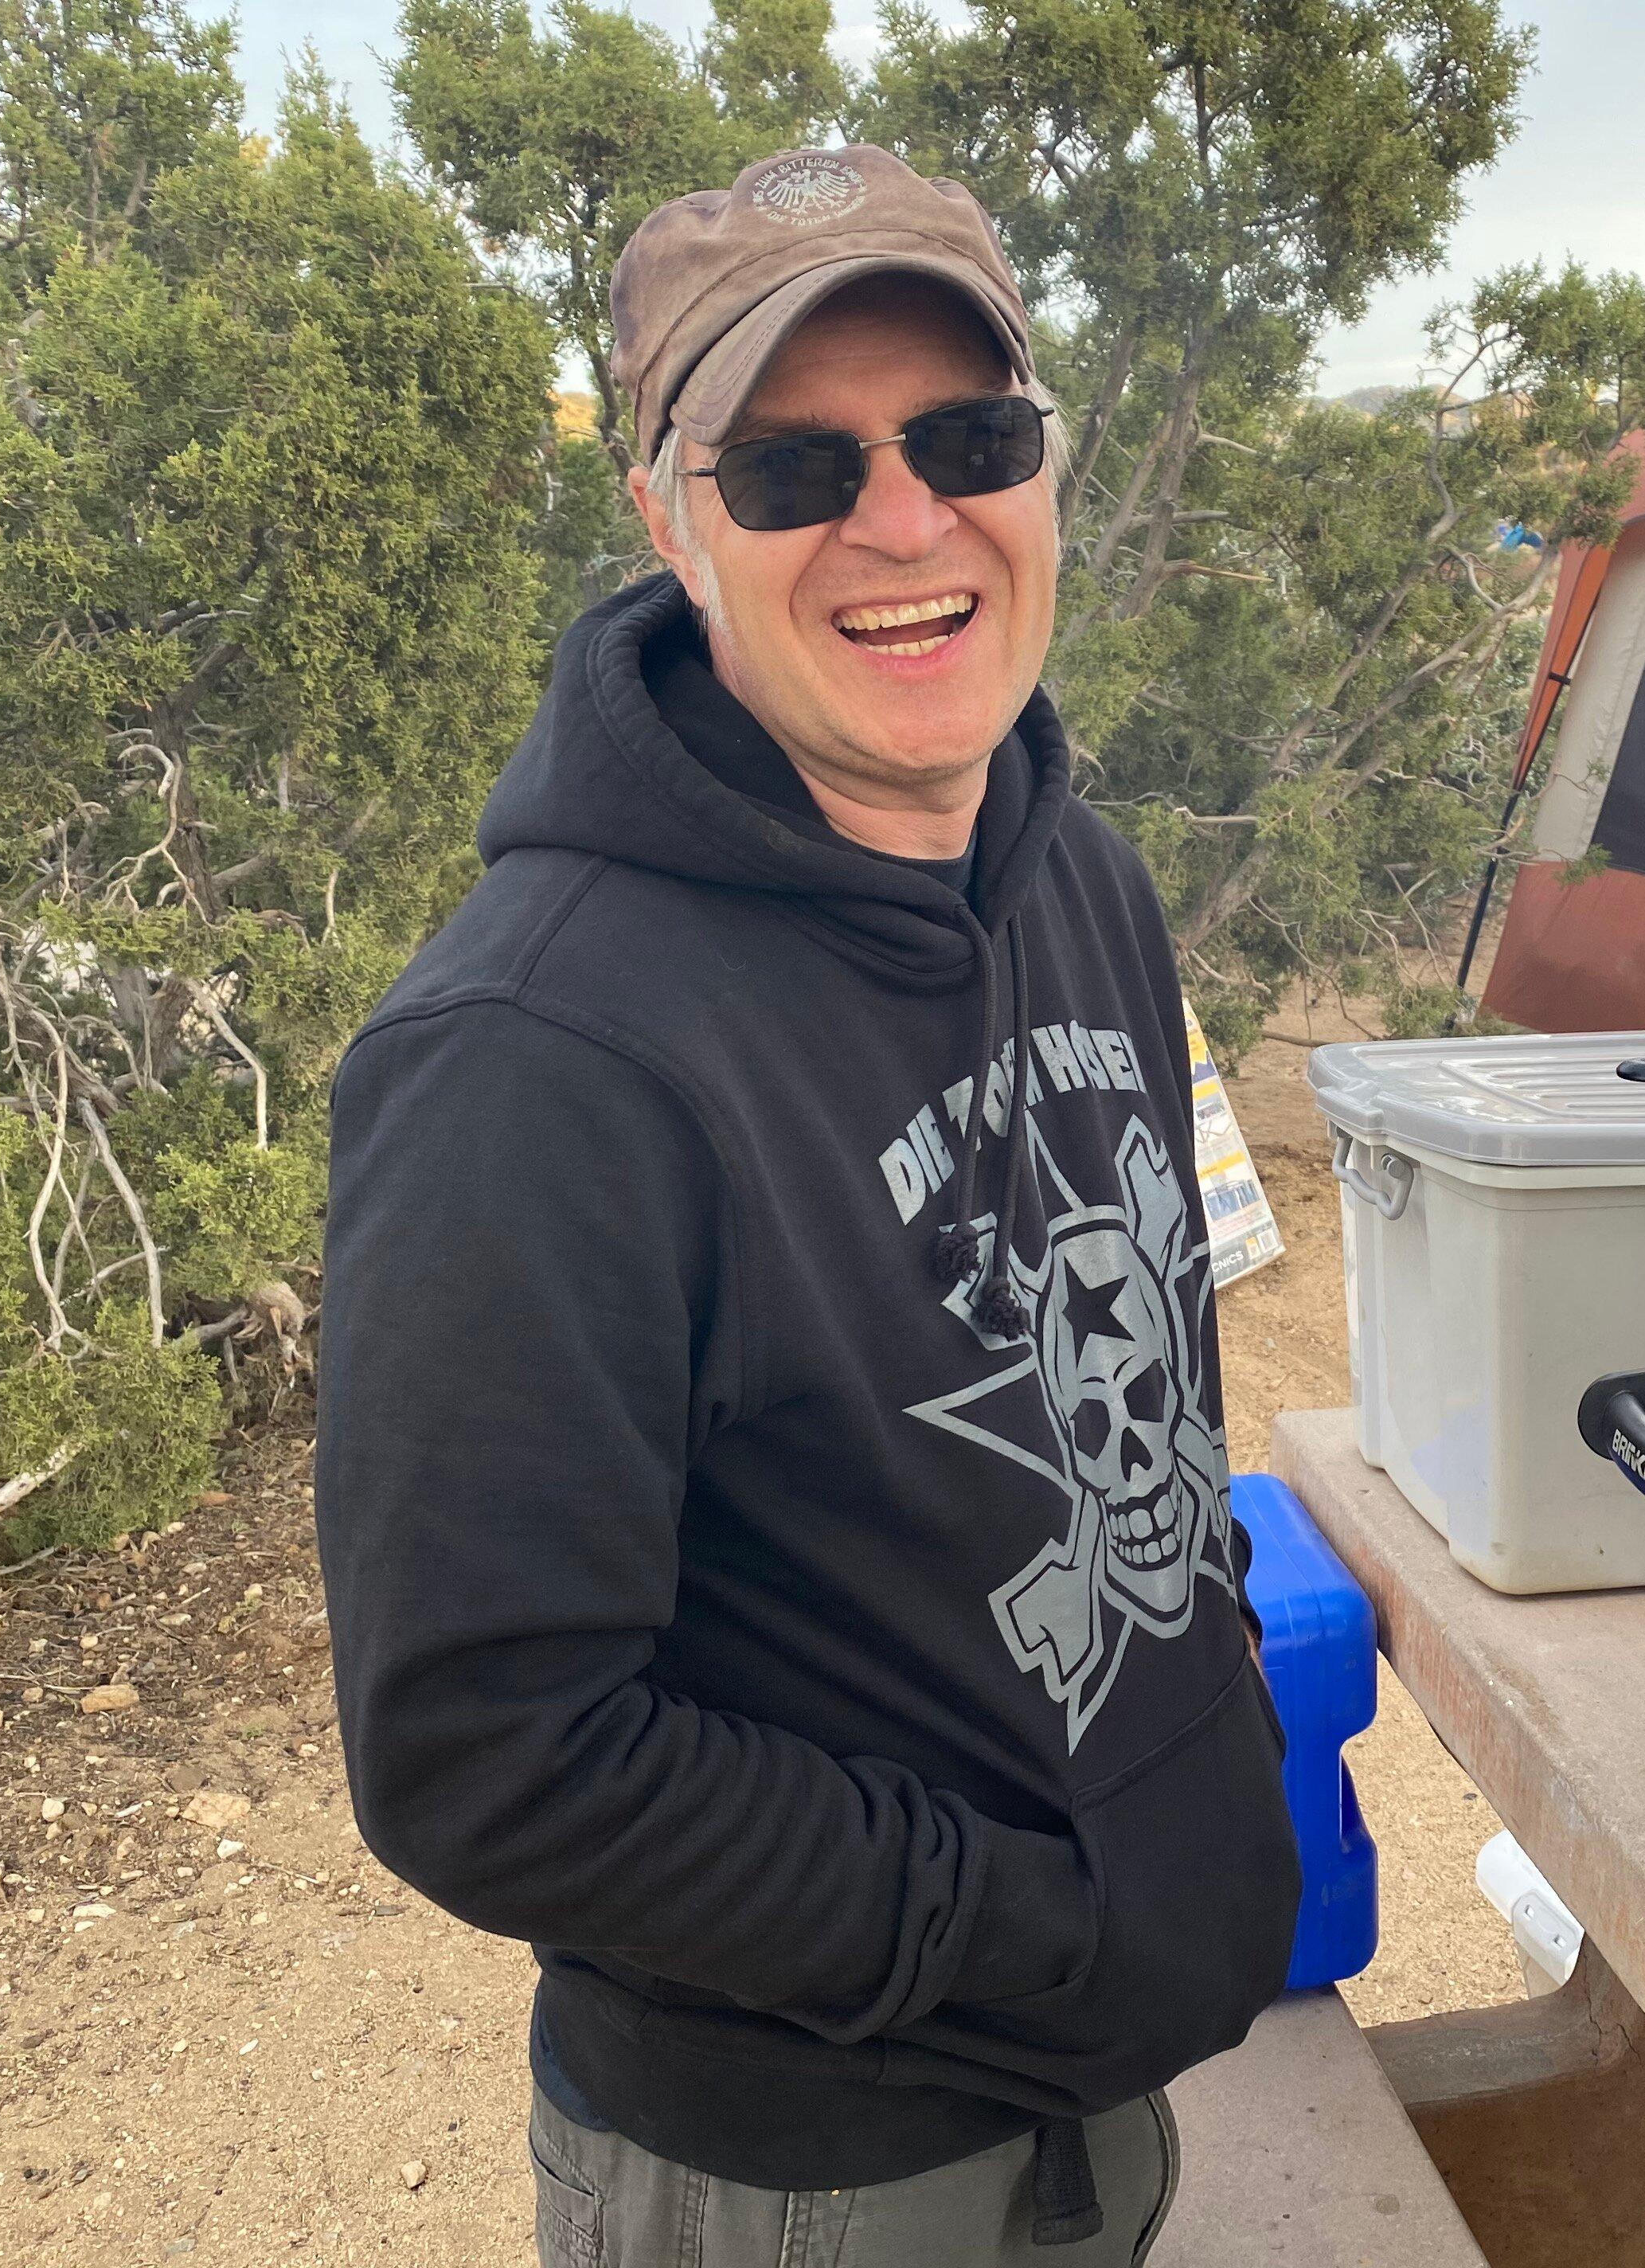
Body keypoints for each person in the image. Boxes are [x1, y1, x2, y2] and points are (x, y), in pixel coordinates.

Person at [315, 143, 1301, 2267]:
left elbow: (1158, 1381)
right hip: (810, 2172)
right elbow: (486, 1753)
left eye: (972, 438)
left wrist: (1191, 1794)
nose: (902, 518)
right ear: (672, 521)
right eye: (790, 465)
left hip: (1102, 2081)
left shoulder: (1080, 877)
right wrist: (1037, 1928)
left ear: (1051, 467)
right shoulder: (535, 1061)